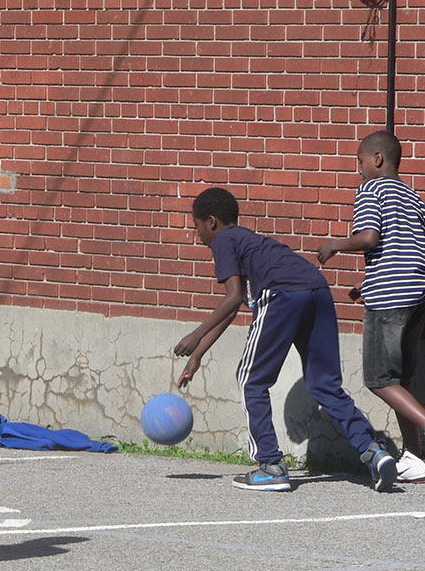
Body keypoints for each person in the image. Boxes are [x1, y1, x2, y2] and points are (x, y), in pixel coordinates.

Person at [175, 186, 396, 492]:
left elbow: (232, 297)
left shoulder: (223, 239)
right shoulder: (251, 241)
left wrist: (194, 334)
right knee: (324, 384)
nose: (197, 234)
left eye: (197, 226)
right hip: (317, 290)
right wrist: (198, 355)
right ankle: (373, 452)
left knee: (250, 380)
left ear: (211, 221)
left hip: (283, 294)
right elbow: (232, 309)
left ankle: (271, 466)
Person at [317, 130, 425, 483]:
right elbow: (409, 249)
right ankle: (415, 458)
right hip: (417, 297)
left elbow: (370, 237)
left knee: (379, 380)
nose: (359, 168)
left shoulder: (371, 189)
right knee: (403, 380)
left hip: (389, 300)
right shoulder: (413, 196)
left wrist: (335, 244)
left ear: (377, 159)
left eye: (360, 161)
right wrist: (368, 283)